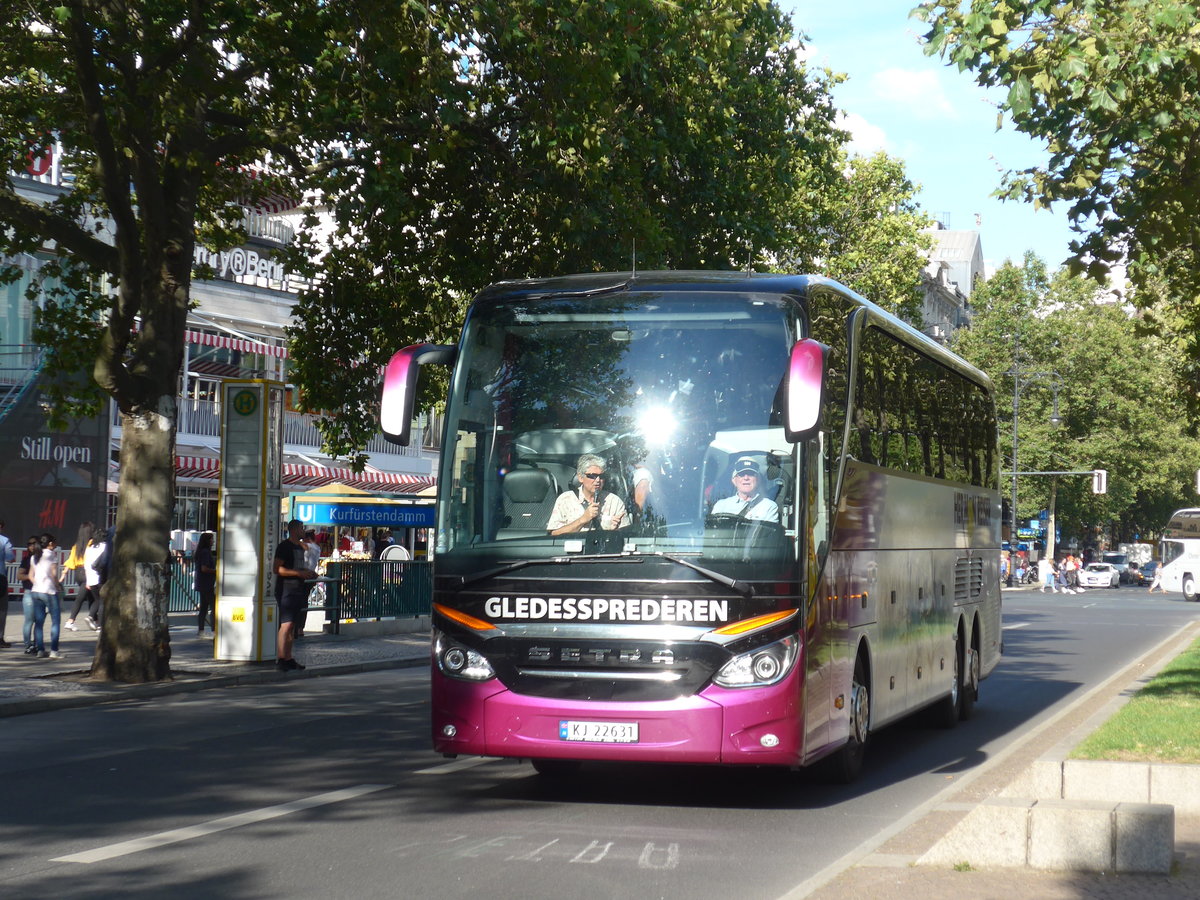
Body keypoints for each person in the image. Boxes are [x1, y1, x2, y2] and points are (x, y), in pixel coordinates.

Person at [546, 454, 629, 535]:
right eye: (592, 476)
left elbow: (628, 535)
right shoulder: (565, 500)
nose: (598, 480)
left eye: (601, 476)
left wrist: (614, 532)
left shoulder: (615, 502)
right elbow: (554, 534)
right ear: (580, 478)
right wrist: (583, 519)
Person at [272, 519, 316, 671]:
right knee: (286, 624)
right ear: (295, 530)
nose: (303, 531)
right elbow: (277, 569)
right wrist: (298, 573)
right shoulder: (284, 546)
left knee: (292, 625)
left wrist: (308, 572)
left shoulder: (300, 547)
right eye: (301, 528)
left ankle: (288, 657)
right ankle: (281, 657)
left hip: (298, 587)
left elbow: (300, 565)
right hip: (286, 589)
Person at [24, 534, 62, 658]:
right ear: (50, 543)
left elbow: (30, 576)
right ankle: (54, 651)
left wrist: (37, 584)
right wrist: (58, 586)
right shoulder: (51, 555)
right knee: (55, 621)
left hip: (36, 591)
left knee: (39, 622)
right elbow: (53, 574)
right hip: (49, 591)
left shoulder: (34, 556)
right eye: (54, 543)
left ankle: (40, 650)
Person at [710, 457, 779, 522]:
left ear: (758, 479)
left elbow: (768, 534)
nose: (746, 478)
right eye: (741, 474)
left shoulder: (769, 507)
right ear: (734, 480)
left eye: (751, 474)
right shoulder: (721, 506)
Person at [65, 528, 106, 631]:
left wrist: (63, 573)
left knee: (91, 598)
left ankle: (94, 620)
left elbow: (71, 561)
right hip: (92, 575)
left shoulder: (78, 546)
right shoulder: (95, 544)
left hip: (80, 573)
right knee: (92, 599)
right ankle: (75, 620)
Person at [193, 532, 217, 637]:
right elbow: (204, 568)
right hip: (207, 583)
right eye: (211, 539)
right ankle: (213, 629)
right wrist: (216, 571)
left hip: (202, 583)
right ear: (207, 541)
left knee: (203, 607)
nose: (213, 541)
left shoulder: (200, 552)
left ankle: (201, 629)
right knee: (213, 607)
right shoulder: (206, 553)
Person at [0, 520, 13, 648]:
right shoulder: (4, 541)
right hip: (0, 576)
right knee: (2, 609)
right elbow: (10, 557)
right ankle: (0, 638)